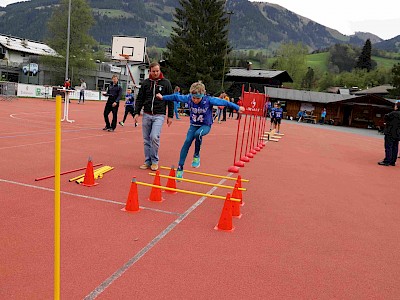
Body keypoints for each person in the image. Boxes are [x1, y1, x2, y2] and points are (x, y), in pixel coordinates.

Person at [156, 81, 245, 179]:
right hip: (193, 125)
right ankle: (180, 168)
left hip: (205, 126)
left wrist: (237, 107)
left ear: (203, 95)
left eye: (198, 98)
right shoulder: (189, 98)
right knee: (187, 142)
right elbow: (176, 97)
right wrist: (163, 97)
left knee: (198, 134)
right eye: (194, 98)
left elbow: (224, 102)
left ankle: (196, 155)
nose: (195, 100)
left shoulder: (209, 100)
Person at [133, 62, 173, 171]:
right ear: (149, 71)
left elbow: (170, 100)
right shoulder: (146, 83)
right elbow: (140, 99)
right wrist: (136, 112)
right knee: (146, 139)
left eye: (157, 71)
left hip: (159, 115)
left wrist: (170, 116)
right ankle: (147, 161)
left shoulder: (166, 83)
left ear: (160, 71)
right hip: (146, 114)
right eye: (153, 71)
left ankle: (155, 161)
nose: (155, 73)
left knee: (154, 137)